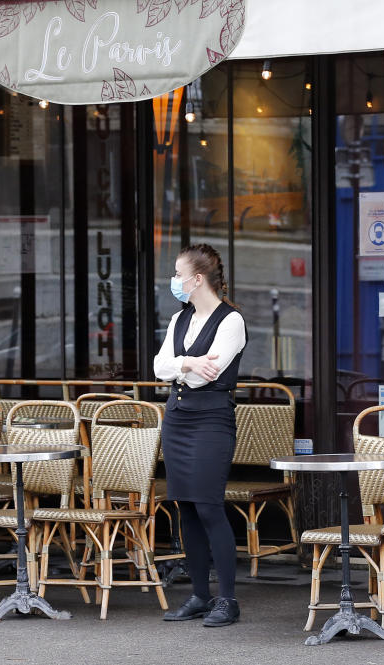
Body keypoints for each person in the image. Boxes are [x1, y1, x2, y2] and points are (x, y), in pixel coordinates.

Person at [153, 243, 246, 627]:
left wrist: (181, 367)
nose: (173, 281)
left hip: (211, 419)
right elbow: (160, 367)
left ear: (197, 279)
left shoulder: (231, 320)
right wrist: (186, 362)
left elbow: (211, 371)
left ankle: (228, 599)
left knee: (208, 505)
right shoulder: (180, 319)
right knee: (185, 506)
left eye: (177, 274)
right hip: (177, 417)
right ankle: (199, 596)